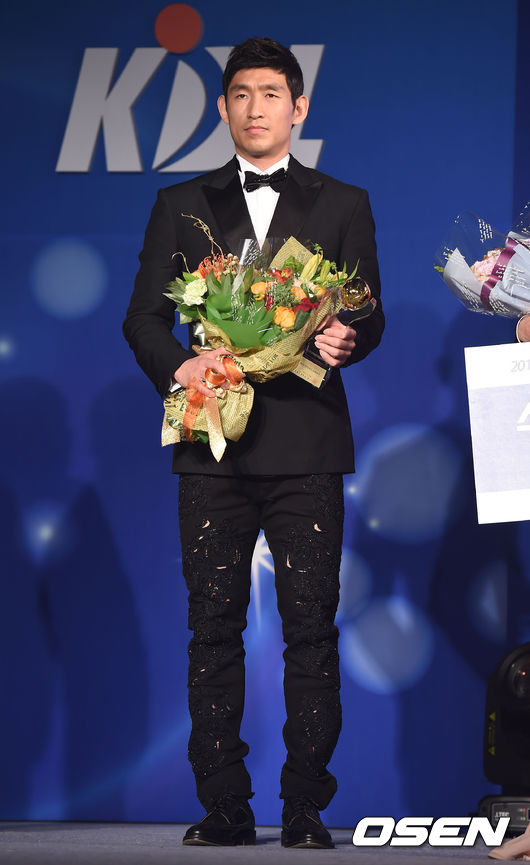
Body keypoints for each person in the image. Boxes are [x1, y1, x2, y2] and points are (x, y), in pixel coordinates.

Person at [123, 36, 385, 848]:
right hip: (214, 443)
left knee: (311, 627)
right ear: (223, 107)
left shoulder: (343, 202)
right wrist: (181, 363)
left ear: (298, 107)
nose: (255, 108)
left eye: (271, 94)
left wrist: (348, 337)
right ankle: (225, 806)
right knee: (212, 628)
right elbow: (142, 318)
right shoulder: (181, 202)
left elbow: (368, 310)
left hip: (308, 446)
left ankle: (305, 805)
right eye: (240, 94)